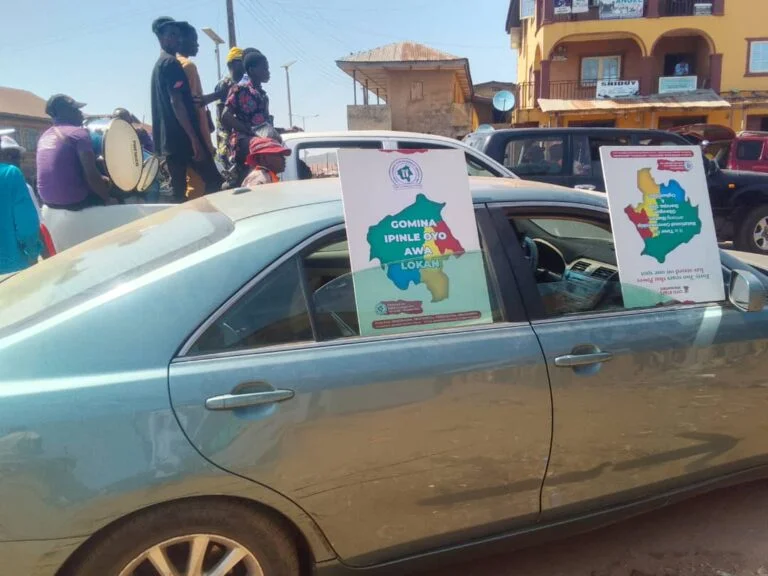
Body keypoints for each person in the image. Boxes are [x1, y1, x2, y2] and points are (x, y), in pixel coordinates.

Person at [150, 16, 222, 203]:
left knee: (179, 192)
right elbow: (177, 103)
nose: (177, 40)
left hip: (171, 143)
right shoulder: (171, 64)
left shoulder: (160, 65)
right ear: (161, 38)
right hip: (183, 140)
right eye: (172, 35)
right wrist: (193, 139)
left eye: (178, 35)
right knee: (215, 182)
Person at [36, 94, 115, 209]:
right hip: (74, 202)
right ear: (65, 112)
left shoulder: (44, 135)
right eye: (76, 110)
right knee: (114, 191)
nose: (80, 113)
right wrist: (108, 199)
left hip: (47, 201)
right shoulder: (78, 134)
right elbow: (91, 175)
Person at [177, 22, 219, 199]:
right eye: (194, 41)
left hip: (182, 139)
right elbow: (196, 106)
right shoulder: (188, 66)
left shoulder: (173, 64)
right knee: (202, 186)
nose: (197, 45)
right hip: (196, 139)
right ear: (182, 40)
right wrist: (203, 144)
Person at [0, 134, 42, 273]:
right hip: (11, 266)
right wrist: (32, 254)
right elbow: (27, 226)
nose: (18, 161)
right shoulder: (11, 174)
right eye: (12, 156)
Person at [212, 47, 245, 171]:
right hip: (227, 137)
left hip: (239, 135)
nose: (244, 65)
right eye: (240, 61)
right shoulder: (224, 84)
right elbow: (222, 116)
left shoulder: (243, 84)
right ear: (231, 64)